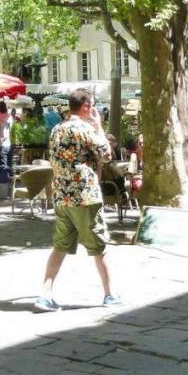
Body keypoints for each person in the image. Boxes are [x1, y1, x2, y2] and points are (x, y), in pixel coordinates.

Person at [35, 88, 118, 311]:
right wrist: (99, 125)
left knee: (60, 246)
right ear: (86, 106)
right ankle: (110, 295)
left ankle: (45, 294)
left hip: (62, 195)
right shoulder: (84, 129)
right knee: (99, 245)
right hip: (84, 196)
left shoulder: (56, 129)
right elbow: (107, 155)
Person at [0, 101, 13, 165]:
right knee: (9, 164)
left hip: (1, 144)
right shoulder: (10, 118)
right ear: (6, 108)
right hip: (9, 143)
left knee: (3, 166)